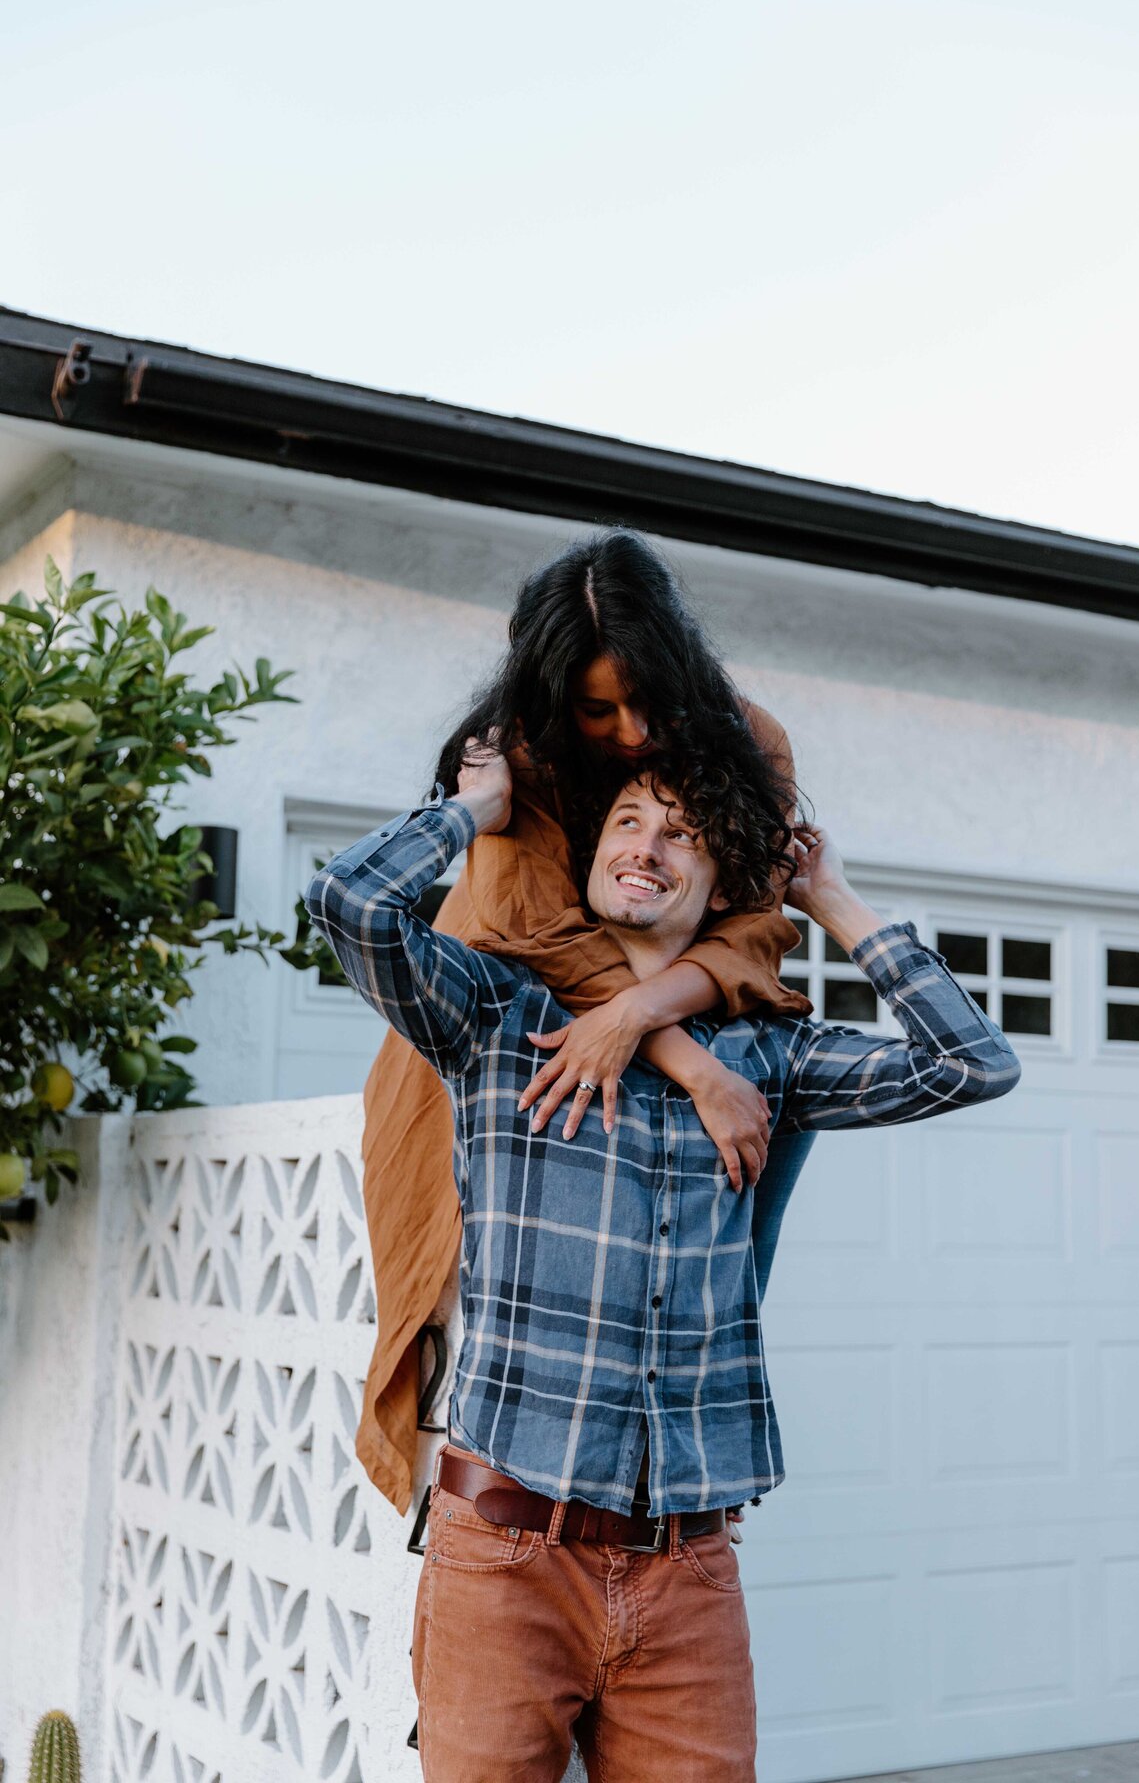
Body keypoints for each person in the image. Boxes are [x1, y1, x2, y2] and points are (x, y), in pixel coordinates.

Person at [305, 748, 1021, 1782]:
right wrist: (476, 810)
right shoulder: (497, 1016)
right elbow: (349, 903)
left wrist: (833, 899)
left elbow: (972, 1064)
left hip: (687, 1571)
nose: (648, 846)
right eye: (629, 823)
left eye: (681, 834)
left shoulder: (767, 1060)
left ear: (719, 884)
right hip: (506, 1554)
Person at [355, 529, 817, 1522]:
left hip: (671, 1026)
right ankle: (477, 1542)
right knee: (492, 1318)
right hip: (495, 1038)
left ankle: (676, 1511)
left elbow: (756, 929)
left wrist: (648, 1018)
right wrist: (687, 1060)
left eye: (648, 700)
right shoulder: (517, 748)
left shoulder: (752, 739)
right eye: (599, 709)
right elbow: (536, 935)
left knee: (687, 1287)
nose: (630, 729)